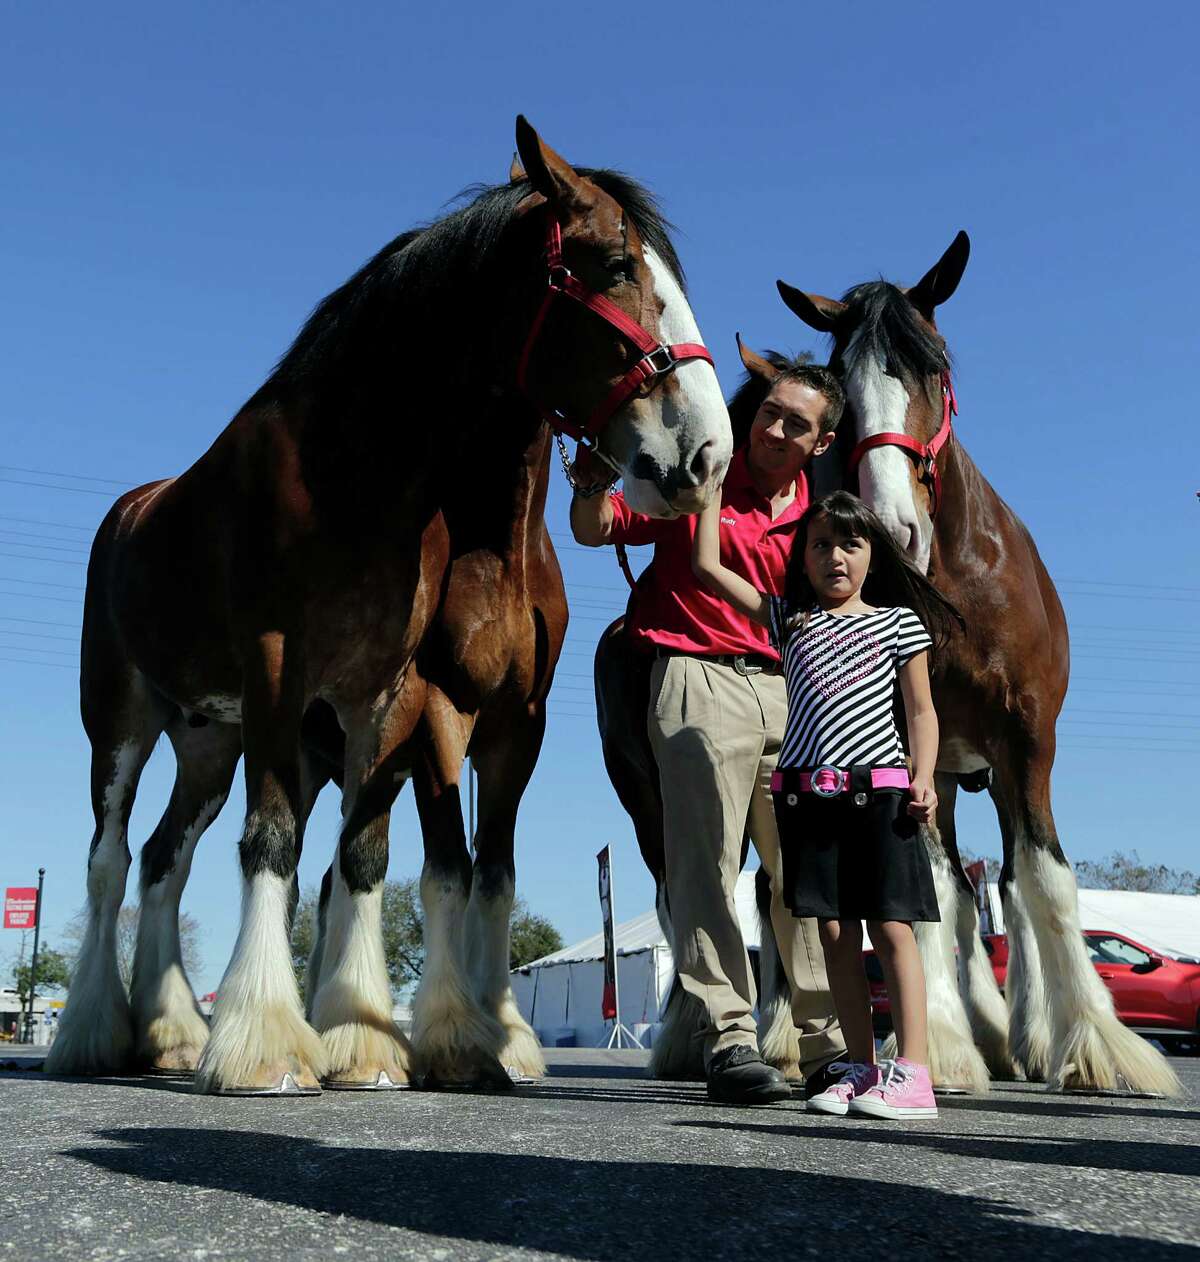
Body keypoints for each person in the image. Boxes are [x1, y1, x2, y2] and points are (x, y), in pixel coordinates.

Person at [571, 362, 849, 1105]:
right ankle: (728, 1036)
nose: (776, 429)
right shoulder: (697, 479)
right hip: (697, 680)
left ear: (821, 444)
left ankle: (826, 1047)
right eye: (769, 412)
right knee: (705, 866)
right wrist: (590, 479)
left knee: (804, 878)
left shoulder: (826, 523)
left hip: (792, 692)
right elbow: (596, 529)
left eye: (797, 422)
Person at [692, 488, 963, 1121]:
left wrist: (923, 777)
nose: (835, 557)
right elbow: (708, 566)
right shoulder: (789, 619)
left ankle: (914, 1072)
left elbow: (922, 712)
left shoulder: (901, 622)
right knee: (834, 933)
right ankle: (861, 1067)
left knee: (892, 927)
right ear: (803, 556)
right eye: (820, 545)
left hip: (883, 795)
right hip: (807, 800)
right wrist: (710, 488)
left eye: (851, 543)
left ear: (873, 555)